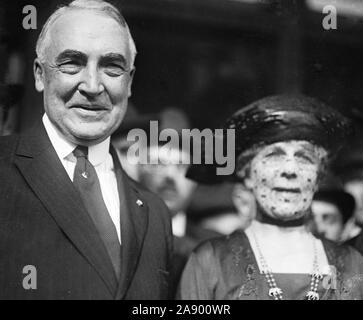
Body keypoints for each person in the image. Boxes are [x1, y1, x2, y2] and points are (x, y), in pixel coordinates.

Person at [0, 0, 172, 299]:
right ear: (40, 75)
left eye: (112, 67)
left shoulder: (154, 212)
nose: (93, 85)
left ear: (129, 82)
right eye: (72, 63)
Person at [178, 95, 363, 300]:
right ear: (247, 174)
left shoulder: (351, 264)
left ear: (318, 176)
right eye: (274, 155)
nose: (290, 170)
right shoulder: (212, 261)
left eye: (304, 157)